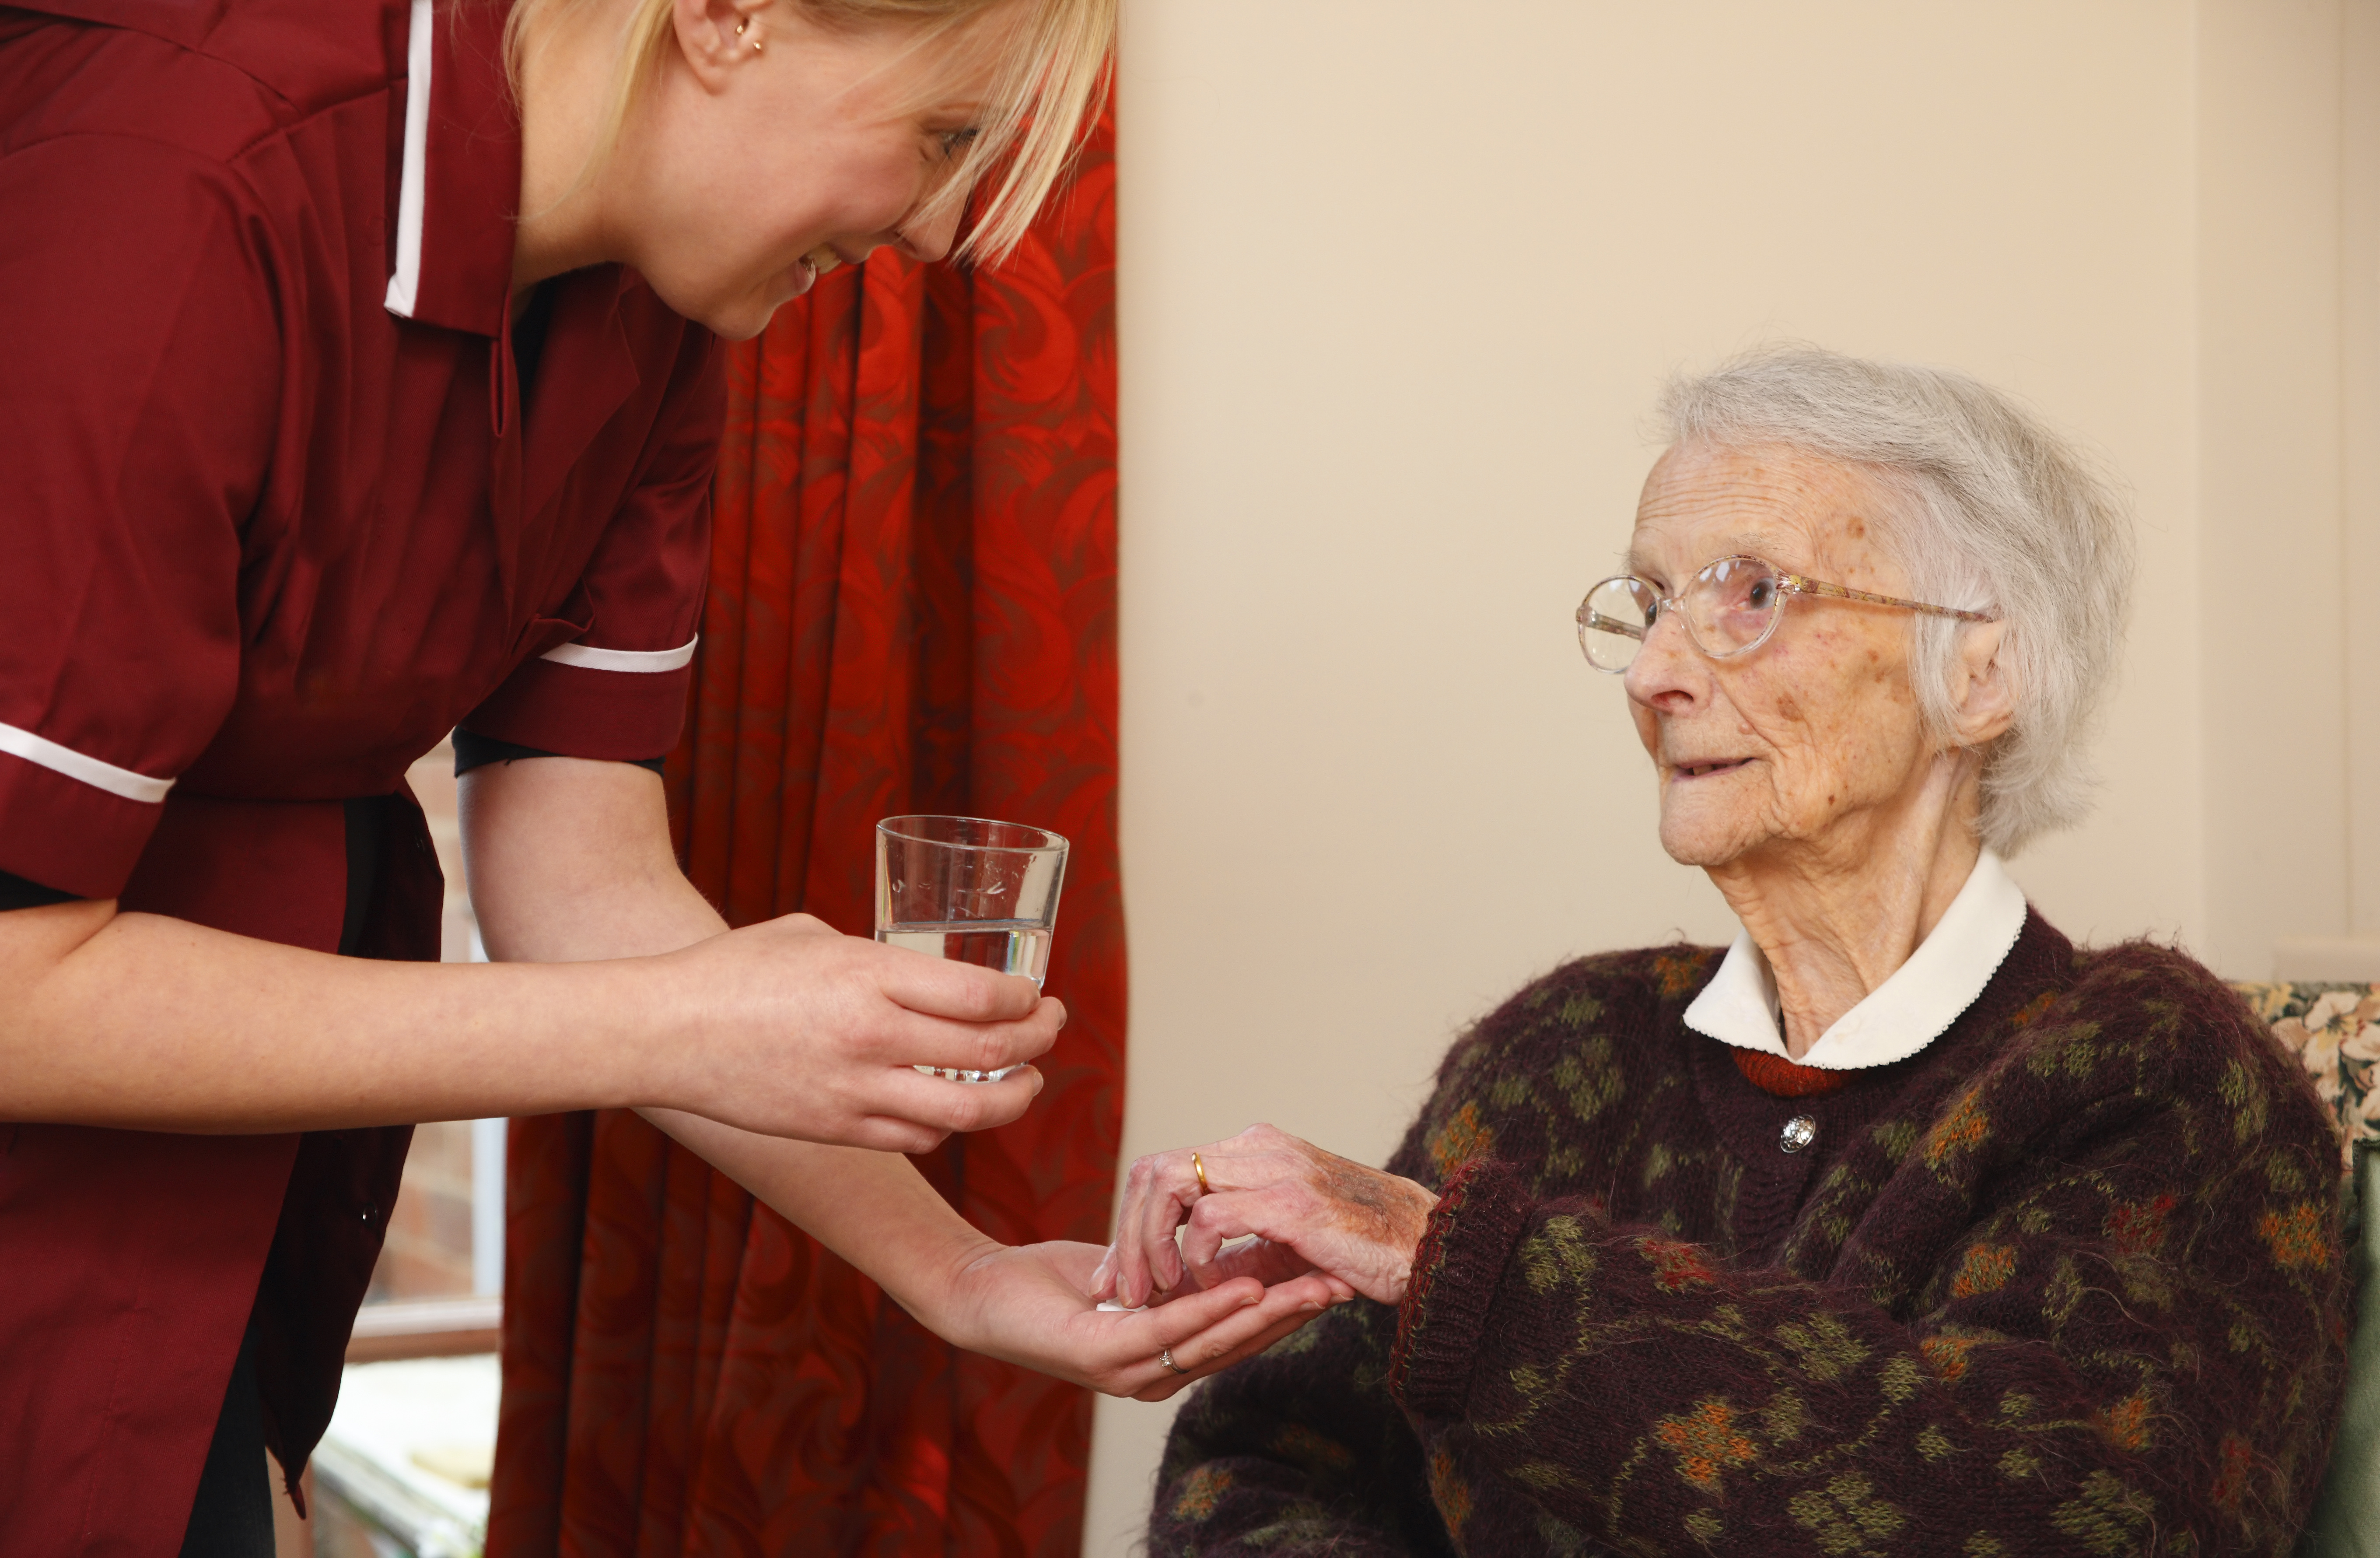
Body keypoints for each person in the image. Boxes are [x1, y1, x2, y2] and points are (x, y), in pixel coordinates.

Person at [0, 0, 1330, 1550]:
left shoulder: (652, 314)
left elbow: (588, 883)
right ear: (727, 15)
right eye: (945, 139)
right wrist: (684, 1025)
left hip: (185, 1230)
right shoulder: (180, 176)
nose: (951, 228)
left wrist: (953, 1273)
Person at [1099, 347, 2352, 1555]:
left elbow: (2064, 1511)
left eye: (1749, 594)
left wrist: (1466, 1279)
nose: (1652, 673)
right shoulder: (1565, 1052)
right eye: (1649, 602)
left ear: (1983, 670)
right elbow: (1266, 1458)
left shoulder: (2161, 1079)